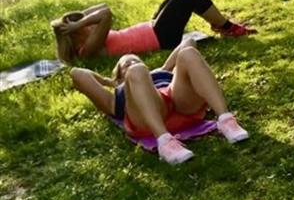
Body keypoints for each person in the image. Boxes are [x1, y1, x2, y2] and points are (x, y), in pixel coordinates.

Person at [70, 40, 250, 164]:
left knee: (188, 53)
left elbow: (188, 42)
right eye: (125, 64)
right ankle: (165, 142)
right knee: (138, 71)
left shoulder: (160, 72)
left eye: (135, 59)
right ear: (118, 75)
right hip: (148, 113)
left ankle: (226, 120)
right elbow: (77, 74)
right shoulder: (116, 94)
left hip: (176, 101)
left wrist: (165, 67)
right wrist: (109, 82)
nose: (131, 61)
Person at [53, 0, 255, 63]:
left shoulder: (86, 39)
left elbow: (102, 5)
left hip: (153, 27)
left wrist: (78, 19)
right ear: (76, 33)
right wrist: (79, 24)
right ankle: (227, 28)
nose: (89, 24)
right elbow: (105, 13)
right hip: (161, 37)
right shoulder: (88, 49)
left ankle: (220, 24)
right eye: (84, 25)